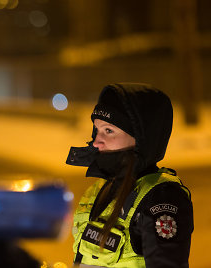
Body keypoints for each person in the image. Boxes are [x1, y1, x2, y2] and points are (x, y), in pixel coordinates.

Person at [66, 83, 193, 267]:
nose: (96, 142)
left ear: (142, 138)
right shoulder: (99, 189)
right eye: (97, 130)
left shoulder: (161, 197)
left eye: (109, 130)